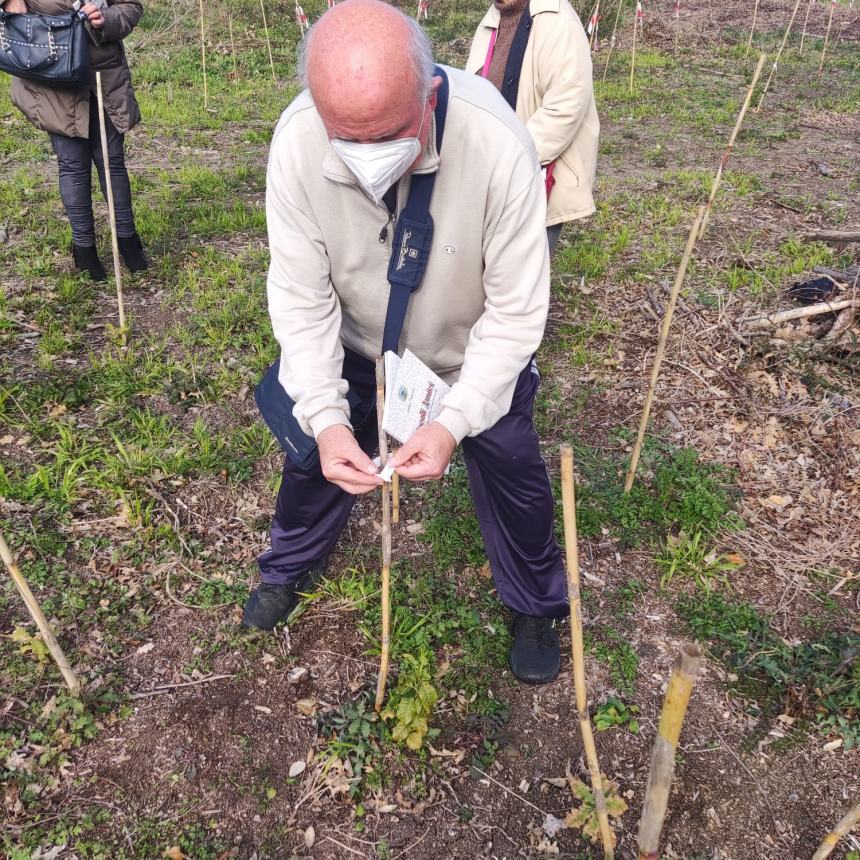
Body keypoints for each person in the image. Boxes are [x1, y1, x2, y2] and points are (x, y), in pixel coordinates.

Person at [242, 0, 568, 685]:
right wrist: (327, 421)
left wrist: (453, 421)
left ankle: (536, 602)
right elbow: (300, 301)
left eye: (386, 134)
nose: (366, 160)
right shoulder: (299, 140)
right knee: (313, 463)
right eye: (345, 138)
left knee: (514, 471)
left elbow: (514, 316)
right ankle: (288, 566)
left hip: (464, 349)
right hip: (363, 346)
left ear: (429, 95)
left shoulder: (498, 144)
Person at [1, 0, 148, 280]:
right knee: (72, 164)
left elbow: (131, 6)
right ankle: (84, 250)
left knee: (111, 160)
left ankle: (127, 240)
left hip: (103, 73)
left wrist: (105, 18)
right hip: (50, 69)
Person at [465, 0, 599, 257]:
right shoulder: (493, 19)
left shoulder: (559, 22)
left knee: (525, 279)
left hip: (535, 175)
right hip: (492, 174)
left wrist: (512, 160)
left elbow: (565, 105)